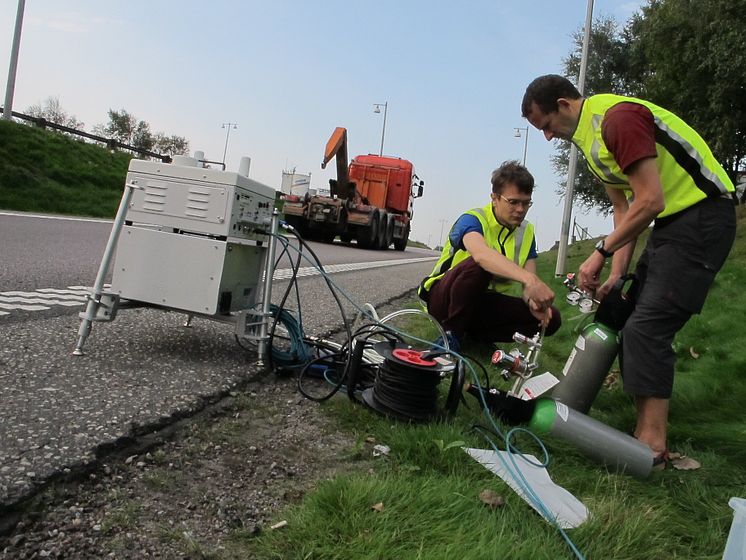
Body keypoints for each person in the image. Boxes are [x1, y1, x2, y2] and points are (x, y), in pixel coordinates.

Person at [521, 74, 737, 466]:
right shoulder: (588, 141)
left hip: (703, 216)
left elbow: (650, 200)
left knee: (648, 326)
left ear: (565, 104)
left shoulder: (615, 120)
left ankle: (652, 443)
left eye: (546, 125)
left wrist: (600, 252)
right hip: (672, 224)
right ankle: (643, 427)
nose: (548, 137)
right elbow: (624, 211)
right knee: (626, 314)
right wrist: (617, 275)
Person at [418, 160, 561, 351]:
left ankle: (477, 336)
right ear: (494, 197)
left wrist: (533, 302)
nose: (520, 209)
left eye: (526, 203)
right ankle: (450, 336)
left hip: (482, 302)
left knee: (552, 318)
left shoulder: (526, 232)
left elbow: (529, 287)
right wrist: (530, 279)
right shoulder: (473, 219)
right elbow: (481, 256)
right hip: (443, 300)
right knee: (481, 265)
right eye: (513, 202)